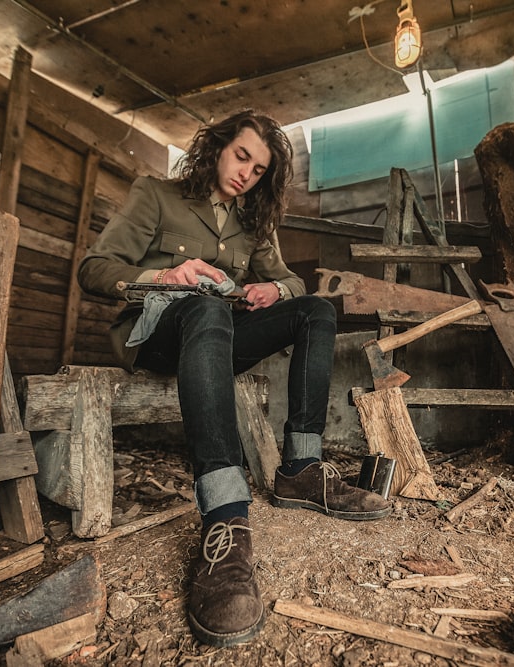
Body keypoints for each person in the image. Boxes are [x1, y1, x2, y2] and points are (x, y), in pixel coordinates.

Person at [77, 110, 391, 647]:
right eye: (241, 155)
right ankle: (225, 517)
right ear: (218, 147)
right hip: (156, 335)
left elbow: (291, 279)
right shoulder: (157, 193)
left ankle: (301, 468)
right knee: (204, 306)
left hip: (216, 341)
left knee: (314, 309)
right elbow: (94, 268)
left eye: (259, 168)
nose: (246, 173)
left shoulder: (252, 223)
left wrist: (277, 291)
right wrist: (164, 276)